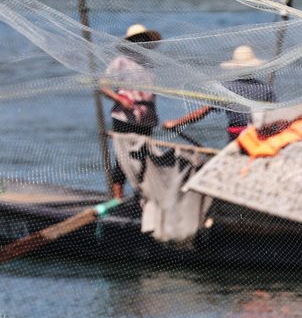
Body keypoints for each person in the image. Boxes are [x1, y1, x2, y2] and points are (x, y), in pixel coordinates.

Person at [162, 44, 275, 141]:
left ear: (235, 67)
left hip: (237, 137)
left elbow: (202, 112)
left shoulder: (227, 88)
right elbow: (273, 115)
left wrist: (176, 122)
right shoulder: (265, 88)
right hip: (261, 136)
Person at [103, 24, 161, 199]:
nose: (140, 44)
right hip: (124, 117)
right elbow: (103, 86)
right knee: (123, 157)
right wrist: (121, 100)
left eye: (143, 41)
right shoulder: (120, 62)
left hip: (145, 118)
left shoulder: (150, 64)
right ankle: (117, 197)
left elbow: (152, 91)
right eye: (137, 41)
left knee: (144, 157)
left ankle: (141, 195)